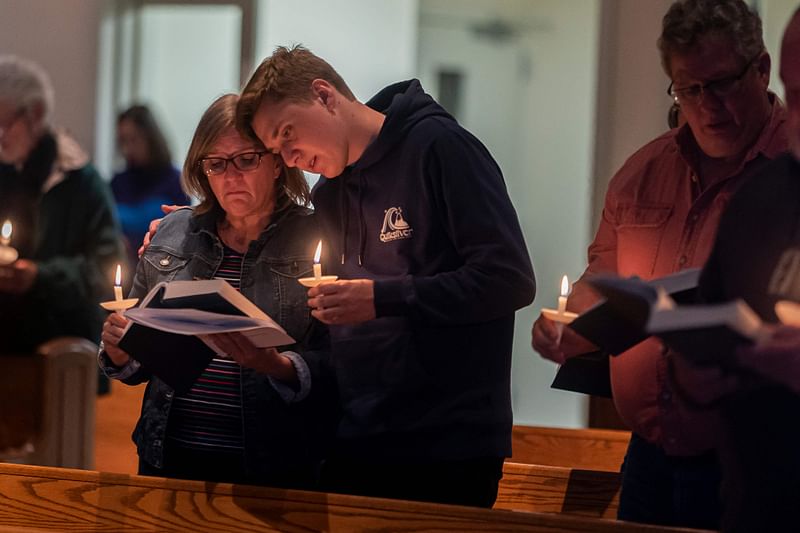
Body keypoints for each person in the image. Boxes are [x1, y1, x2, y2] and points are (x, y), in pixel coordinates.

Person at [232, 45, 536, 507]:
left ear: (324, 95)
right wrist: (200, 224)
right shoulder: (330, 193)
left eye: (287, 133)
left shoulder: (440, 147)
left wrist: (383, 298)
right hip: (356, 438)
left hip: (447, 444)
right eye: (277, 150)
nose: (290, 157)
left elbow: (508, 277)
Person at [531, 0, 787, 528]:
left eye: (720, 84)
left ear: (760, 70)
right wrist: (571, 328)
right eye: (688, 89)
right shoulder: (643, 171)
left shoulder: (790, 169)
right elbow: (600, 280)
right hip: (649, 453)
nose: (707, 106)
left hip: (760, 459)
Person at [99, 94, 333, 487]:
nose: (231, 176)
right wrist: (122, 352)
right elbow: (140, 360)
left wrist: (278, 366)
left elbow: (342, 363)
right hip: (170, 460)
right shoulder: (175, 232)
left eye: (246, 159)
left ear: (276, 162)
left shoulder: (316, 238)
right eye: (216, 164)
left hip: (272, 469)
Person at [688, 8, 800, 531]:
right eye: (796, 96)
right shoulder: (764, 196)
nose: (797, 119)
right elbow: (714, 315)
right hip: (756, 502)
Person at [0, 55, 123, 355]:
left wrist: (40, 276)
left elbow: (103, 270)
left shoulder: (82, 182)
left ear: (37, 113)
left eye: (5, 124)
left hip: (66, 348)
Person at [111, 105, 186, 275]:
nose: (127, 148)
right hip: (124, 269)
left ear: (150, 137)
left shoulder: (175, 182)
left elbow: (182, 234)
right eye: (123, 141)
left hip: (163, 270)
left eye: (134, 139)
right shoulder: (118, 182)